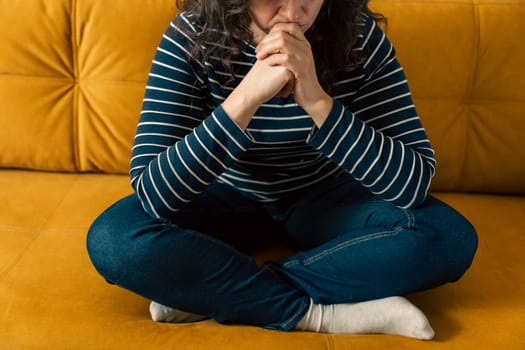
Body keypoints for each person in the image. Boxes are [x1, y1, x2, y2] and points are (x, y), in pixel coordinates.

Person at [87, 0, 478, 340]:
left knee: (449, 237)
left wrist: (318, 102)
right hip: (228, 197)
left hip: (324, 199)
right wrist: (244, 98)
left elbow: (413, 182)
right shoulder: (191, 35)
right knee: (113, 239)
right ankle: (321, 314)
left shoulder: (359, 37)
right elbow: (153, 191)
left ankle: (214, 293)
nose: (293, 14)